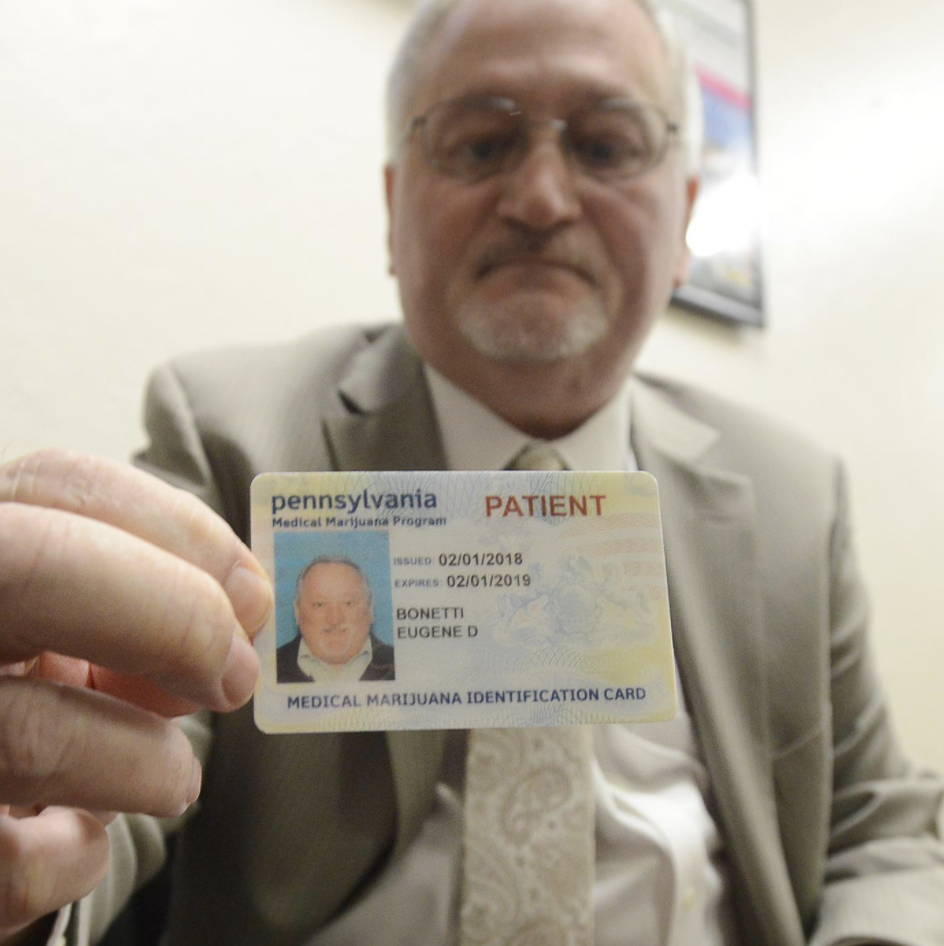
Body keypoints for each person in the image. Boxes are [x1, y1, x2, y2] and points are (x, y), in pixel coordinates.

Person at [1, 0, 942, 943]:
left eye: (608, 146)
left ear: (687, 216)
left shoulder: (794, 491)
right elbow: (112, 783)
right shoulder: (231, 434)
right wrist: (36, 843)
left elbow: (880, 821)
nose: (540, 199)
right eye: (481, 142)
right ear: (393, 204)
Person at [276, 557, 395, 683]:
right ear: (297, 612)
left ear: (370, 609)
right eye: (319, 604)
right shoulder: (269, 667)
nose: (335, 620)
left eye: (348, 603)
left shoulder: (401, 664)